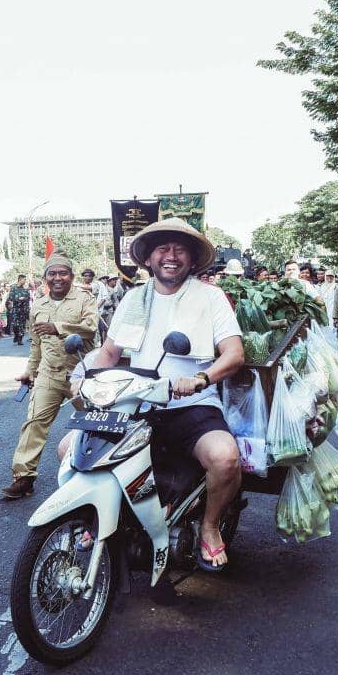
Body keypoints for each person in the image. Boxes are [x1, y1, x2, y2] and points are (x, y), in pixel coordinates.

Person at [65, 218, 244, 571]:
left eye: (180, 250)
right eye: (163, 248)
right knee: (68, 448)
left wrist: (201, 378)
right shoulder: (134, 299)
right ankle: (96, 517)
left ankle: (210, 527)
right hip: (135, 404)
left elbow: (234, 354)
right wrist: (87, 380)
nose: (171, 256)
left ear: (192, 259)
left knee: (225, 458)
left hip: (191, 405)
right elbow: (109, 353)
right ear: (148, 258)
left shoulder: (211, 298)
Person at [1, 254, 99, 499]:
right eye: (52, 274)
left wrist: (58, 328)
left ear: (71, 276)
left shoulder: (84, 299)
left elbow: (90, 329)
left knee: (96, 424)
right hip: (49, 373)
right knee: (34, 422)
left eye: (63, 273)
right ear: (45, 278)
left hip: (81, 375)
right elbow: (36, 344)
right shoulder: (38, 305)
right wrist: (30, 371)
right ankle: (23, 477)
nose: (57, 278)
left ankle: (100, 472)